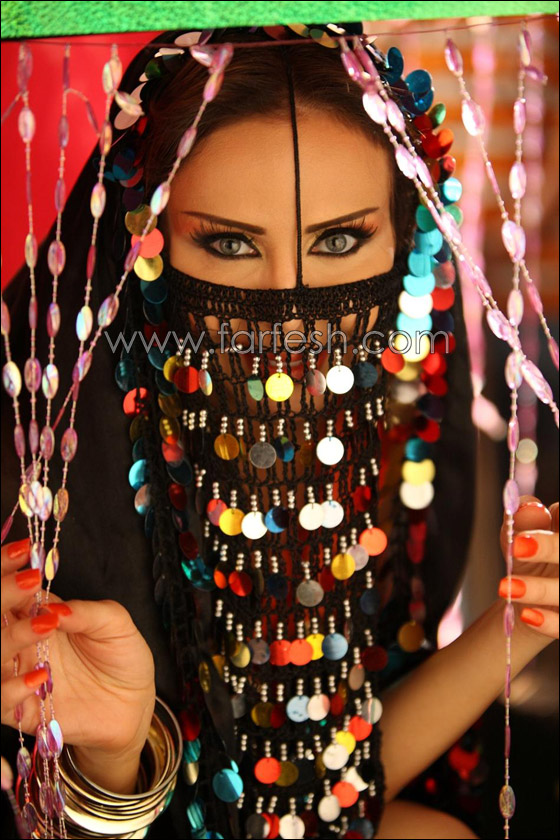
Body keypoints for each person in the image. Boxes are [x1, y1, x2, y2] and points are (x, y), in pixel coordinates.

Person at [1, 24, 558, 840]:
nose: (291, 321)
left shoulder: (386, 425)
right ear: (144, 239)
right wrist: (110, 757)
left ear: (405, 239)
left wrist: (526, 618)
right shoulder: (47, 459)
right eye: (228, 244)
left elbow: (321, 799)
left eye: (339, 241)